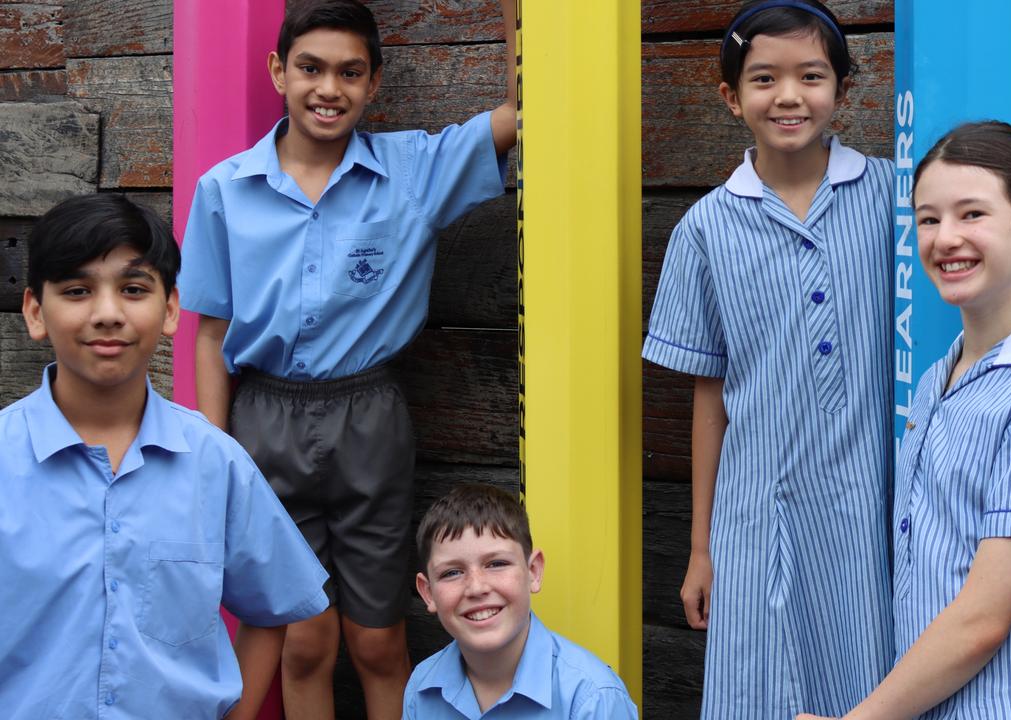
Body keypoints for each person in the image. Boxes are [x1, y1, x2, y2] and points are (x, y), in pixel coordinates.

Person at [176, 0, 517, 716]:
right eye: (310, 68)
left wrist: (519, 17)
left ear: (374, 84)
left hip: (369, 416)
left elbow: (518, 114)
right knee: (302, 641)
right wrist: (213, 455)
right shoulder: (224, 190)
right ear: (278, 71)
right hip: (261, 417)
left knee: (376, 640)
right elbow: (208, 333)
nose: (328, 88)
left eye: (349, 72)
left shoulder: (413, 171)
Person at [801, 121, 1011, 719]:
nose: (945, 238)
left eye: (972, 215)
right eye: (928, 219)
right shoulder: (935, 380)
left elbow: (982, 620)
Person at [642, 1, 896, 716]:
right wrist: (701, 548)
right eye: (764, 79)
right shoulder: (706, 228)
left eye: (811, 76)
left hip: (868, 502)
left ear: (844, 90)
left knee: (868, 676)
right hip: (754, 512)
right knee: (758, 684)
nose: (789, 96)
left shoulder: (894, 200)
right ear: (731, 98)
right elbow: (709, 392)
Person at [0, 194, 329, 720]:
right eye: (78, 291)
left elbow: (273, 607)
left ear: (171, 308)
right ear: (36, 312)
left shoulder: (214, 463)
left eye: (133, 290)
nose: (108, 314)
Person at [404, 484, 639, 719]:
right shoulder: (420, 689)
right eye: (452, 573)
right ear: (428, 593)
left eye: (497, 564)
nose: (476, 588)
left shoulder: (593, 698)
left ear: (533, 572)